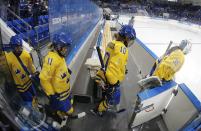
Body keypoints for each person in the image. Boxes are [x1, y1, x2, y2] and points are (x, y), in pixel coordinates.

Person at [91, 25, 136, 116]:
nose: (130, 41)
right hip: (110, 79)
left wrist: (123, 69)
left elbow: (111, 60)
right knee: (113, 97)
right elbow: (114, 67)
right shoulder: (122, 48)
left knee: (106, 95)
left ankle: (100, 105)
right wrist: (113, 84)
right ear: (126, 37)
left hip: (103, 74)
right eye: (130, 39)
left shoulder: (113, 43)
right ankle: (98, 110)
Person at [39, 33, 73, 118]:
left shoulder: (59, 55)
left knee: (71, 101)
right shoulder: (51, 59)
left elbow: (59, 69)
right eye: (64, 48)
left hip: (66, 91)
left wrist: (66, 71)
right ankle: (57, 112)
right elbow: (43, 79)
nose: (66, 50)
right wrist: (52, 95)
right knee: (70, 111)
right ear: (58, 47)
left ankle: (60, 109)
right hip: (59, 95)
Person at [5, 35, 37, 108]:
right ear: (12, 47)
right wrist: (9, 81)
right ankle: (31, 110)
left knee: (34, 94)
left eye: (20, 47)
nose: (19, 49)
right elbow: (8, 72)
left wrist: (34, 72)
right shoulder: (8, 58)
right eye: (17, 47)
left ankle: (35, 106)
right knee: (28, 100)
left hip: (29, 81)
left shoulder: (26, 54)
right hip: (20, 85)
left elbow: (30, 65)